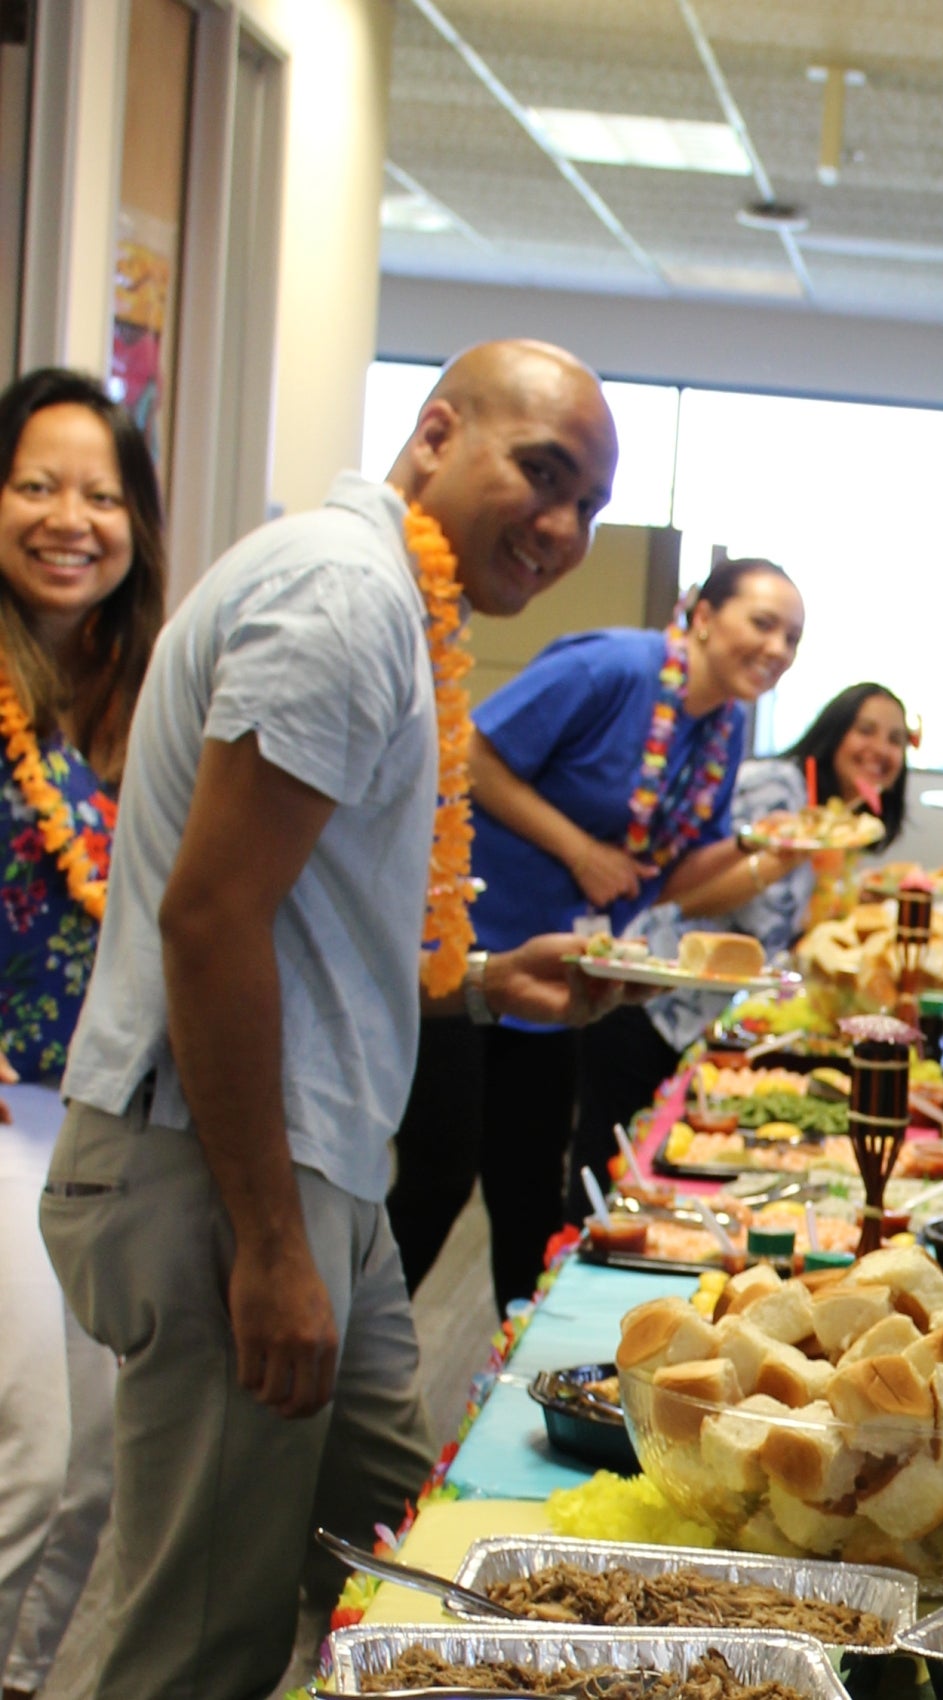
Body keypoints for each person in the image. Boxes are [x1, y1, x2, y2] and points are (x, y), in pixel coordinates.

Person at [40, 339, 645, 1700]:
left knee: (408, 1576)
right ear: (434, 436)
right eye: (541, 473)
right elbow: (211, 920)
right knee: (202, 1642)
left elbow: (305, 918)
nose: (562, 527)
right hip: (228, 1168)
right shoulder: (343, 594)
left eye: (590, 505)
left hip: (315, 1170)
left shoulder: (392, 602)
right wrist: (268, 1242)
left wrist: (484, 980)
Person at [386, 556, 803, 1306]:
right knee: (439, 1175)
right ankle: (345, 1347)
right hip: (461, 947)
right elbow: (472, 754)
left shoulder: (724, 727)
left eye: (793, 638)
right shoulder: (611, 666)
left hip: (559, 973)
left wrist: (761, 848)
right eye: (763, 623)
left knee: (528, 1189)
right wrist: (579, 849)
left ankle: (525, 1351)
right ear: (703, 616)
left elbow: (667, 878)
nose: (777, 649)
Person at [0, 371, 163, 1700]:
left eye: (101, 495)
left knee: (97, 1467)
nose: (71, 519)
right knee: (35, 1460)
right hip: (7, 1111)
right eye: (37, 485)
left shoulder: (125, 689)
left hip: (96, 1111)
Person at [569, 680, 916, 1208]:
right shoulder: (777, 787)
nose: (880, 749)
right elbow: (689, 896)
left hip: (701, 1016)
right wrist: (784, 855)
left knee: (655, 1176)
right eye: (865, 730)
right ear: (833, 729)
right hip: (651, 997)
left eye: (895, 739)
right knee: (608, 1173)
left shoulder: (838, 821)